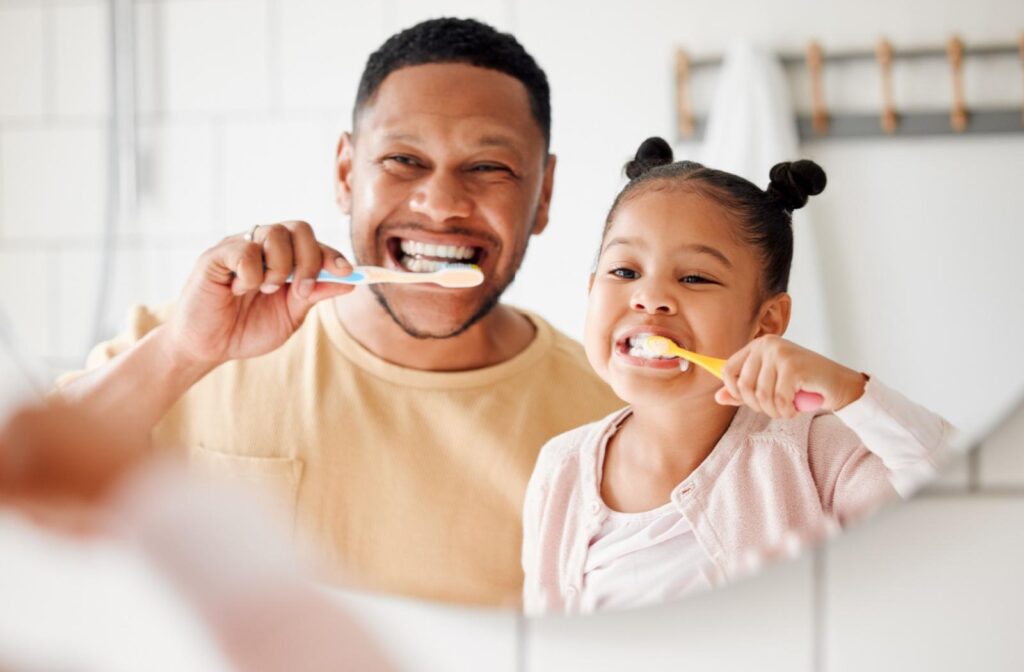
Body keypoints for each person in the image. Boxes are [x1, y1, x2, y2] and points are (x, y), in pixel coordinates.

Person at [57, 18, 621, 608]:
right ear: (347, 173)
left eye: (488, 168)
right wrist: (182, 353)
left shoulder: (608, 417)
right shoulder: (187, 346)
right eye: (404, 159)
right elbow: (23, 486)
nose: (442, 205)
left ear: (544, 194)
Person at [521, 137, 954, 614]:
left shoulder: (817, 455)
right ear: (590, 290)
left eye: (694, 278)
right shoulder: (558, 469)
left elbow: (964, 511)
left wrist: (852, 393)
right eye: (624, 271)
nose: (650, 297)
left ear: (767, 323)